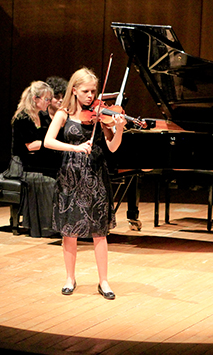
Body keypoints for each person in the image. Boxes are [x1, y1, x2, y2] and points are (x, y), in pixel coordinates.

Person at [44, 67, 126, 300]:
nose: (91, 96)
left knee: (99, 231)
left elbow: (112, 147)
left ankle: (104, 282)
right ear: (75, 90)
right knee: (70, 231)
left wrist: (118, 128)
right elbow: (48, 141)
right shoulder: (63, 114)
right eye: (86, 91)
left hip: (96, 175)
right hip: (70, 177)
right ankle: (70, 278)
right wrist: (74, 147)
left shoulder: (100, 115)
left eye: (93, 91)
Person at [11, 81, 57, 238]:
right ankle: (46, 226)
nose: (49, 102)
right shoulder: (22, 117)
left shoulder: (43, 116)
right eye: (47, 99)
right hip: (22, 164)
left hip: (38, 161)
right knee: (49, 182)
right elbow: (30, 146)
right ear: (36, 99)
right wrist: (50, 144)